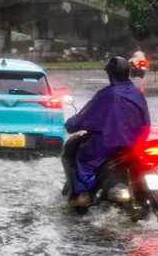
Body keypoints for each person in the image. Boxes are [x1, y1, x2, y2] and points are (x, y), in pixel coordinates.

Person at [63, 56, 151, 208]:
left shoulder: (107, 94)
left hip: (108, 144)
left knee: (84, 159)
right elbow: (146, 121)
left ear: (110, 74)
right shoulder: (137, 93)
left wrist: (72, 123)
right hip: (135, 144)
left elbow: (85, 117)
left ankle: (83, 194)